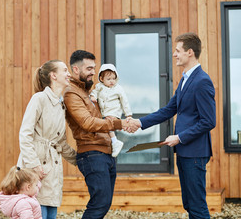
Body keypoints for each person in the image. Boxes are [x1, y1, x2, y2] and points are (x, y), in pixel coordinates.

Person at [127, 32, 216, 218]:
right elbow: (169, 110)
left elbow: (209, 121)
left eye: (178, 50)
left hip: (195, 153)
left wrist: (179, 137)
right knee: (189, 204)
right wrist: (139, 122)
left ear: (190, 52)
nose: (174, 54)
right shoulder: (185, 79)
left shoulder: (202, 81)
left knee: (197, 206)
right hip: (184, 152)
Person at [63, 50, 130, 219]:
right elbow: (88, 123)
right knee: (99, 203)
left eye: (94, 68)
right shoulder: (72, 93)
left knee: (103, 203)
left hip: (106, 152)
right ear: (76, 70)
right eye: (89, 68)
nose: (94, 72)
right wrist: (120, 123)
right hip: (92, 154)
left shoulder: (89, 92)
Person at [17, 60, 77, 219]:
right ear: (54, 75)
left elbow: (61, 142)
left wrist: (80, 160)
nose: (69, 74)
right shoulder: (39, 99)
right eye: (65, 70)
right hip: (35, 169)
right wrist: (34, 164)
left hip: (52, 168)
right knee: (37, 212)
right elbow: (25, 134)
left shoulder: (61, 104)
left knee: (51, 213)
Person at [90, 63, 132, 157]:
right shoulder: (99, 87)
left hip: (114, 111)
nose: (112, 81)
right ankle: (113, 143)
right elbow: (94, 92)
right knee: (106, 126)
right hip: (104, 112)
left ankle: (115, 142)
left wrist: (128, 114)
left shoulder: (118, 89)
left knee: (108, 123)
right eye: (108, 79)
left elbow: (124, 101)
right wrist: (93, 97)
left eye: (113, 78)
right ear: (101, 79)